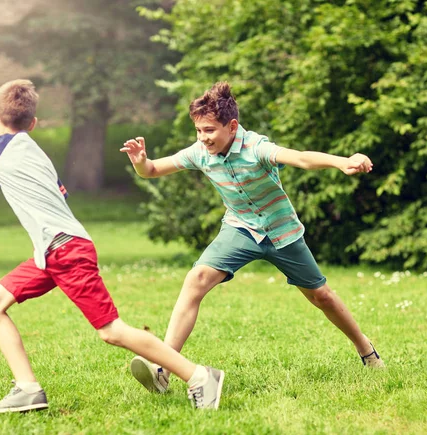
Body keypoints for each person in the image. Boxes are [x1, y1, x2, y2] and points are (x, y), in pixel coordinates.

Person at [0, 79, 225, 413]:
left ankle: (198, 375)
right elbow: (59, 195)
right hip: (52, 252)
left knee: (111, 331)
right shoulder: (37, 154)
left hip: (65, 251)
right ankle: (27, 390)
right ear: (34, 124)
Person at [121, 81, 384, 394]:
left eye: (209, 130)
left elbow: (300, 158)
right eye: (198, 131)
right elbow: (152, 170)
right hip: (241, 229)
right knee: (197, 279)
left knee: (321, 296)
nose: (203, 138)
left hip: (281, 231)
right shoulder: (200, 153)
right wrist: (140, 162)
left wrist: (342, 161)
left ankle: (366, 350)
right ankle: (163, 367)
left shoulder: (256, 148)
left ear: (232, 127)